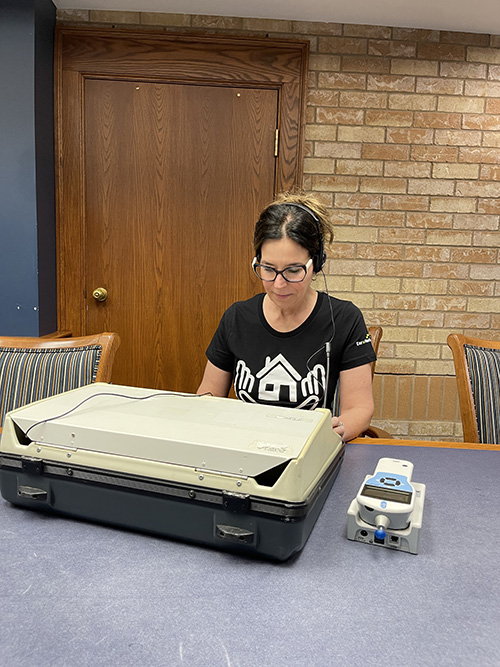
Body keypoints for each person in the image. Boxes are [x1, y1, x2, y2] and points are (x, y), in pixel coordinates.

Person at [197, 193, 375, 441]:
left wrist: (332, 434)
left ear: (317, 263)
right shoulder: (237, 318)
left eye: (293, 270)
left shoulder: (345, 318)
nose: (279, 284)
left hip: (308, 452)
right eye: (268, 269)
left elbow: (360, 409)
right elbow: (208, 395)